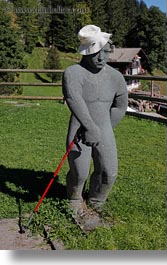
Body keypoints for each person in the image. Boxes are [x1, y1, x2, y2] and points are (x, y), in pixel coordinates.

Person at [62, 25, 128, 217]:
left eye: (105, 52)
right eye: (95, 53)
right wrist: (89, 127)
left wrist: (103, 128)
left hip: (105, 128)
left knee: (109, 172)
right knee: (79, 171)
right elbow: (74, 99)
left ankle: (96, 200)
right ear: (85, 53)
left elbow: (120, 106)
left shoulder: (116, 77)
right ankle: (74, 197)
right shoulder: (73, 73)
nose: (100, 58)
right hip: (79, 129)